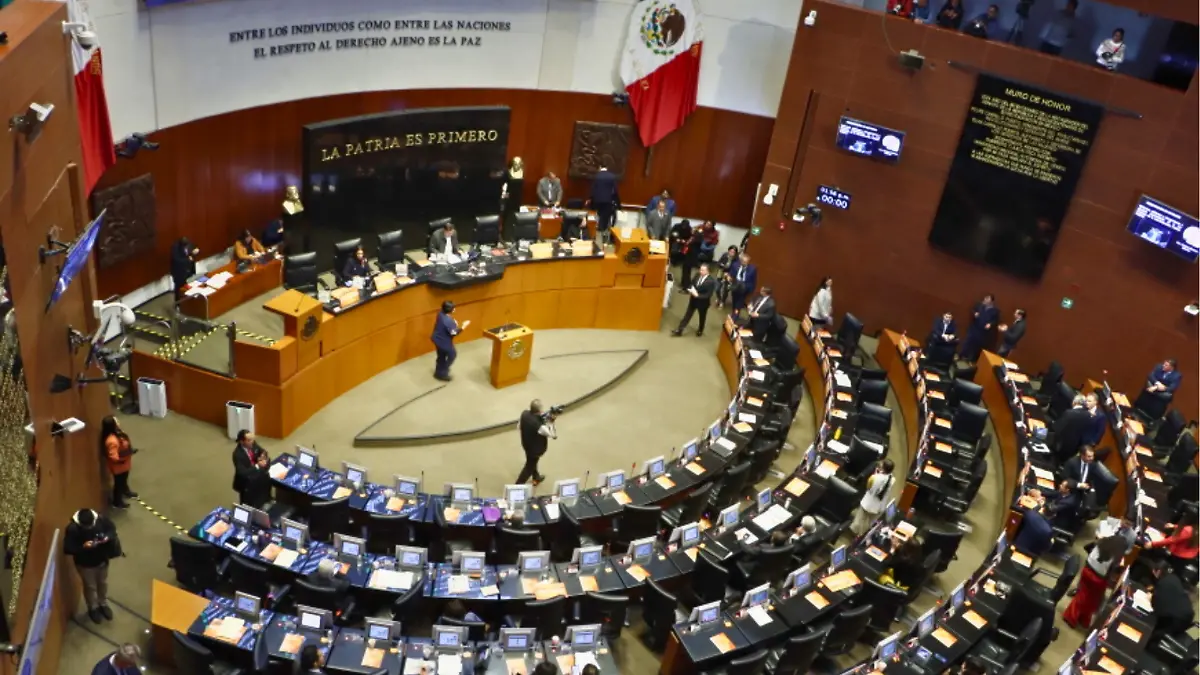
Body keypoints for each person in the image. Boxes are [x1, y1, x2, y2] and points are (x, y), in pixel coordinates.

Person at [64, 508, 121, 624]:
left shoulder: (101, 520)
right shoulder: (72, 529)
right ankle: (93, 608)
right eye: (87, 527)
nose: (90, 528)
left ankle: (103, 603)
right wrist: (83, 547)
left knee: (103, 583)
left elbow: (112, 529)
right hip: (85, 564)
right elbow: (68, 548)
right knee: (90, 587)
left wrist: (106, 538)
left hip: (102, 559)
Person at [1147, 558, 1195, 639]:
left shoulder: (1162, 583)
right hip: (1186, 617)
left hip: (1173, 623)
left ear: (1158, 571)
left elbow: (1157, 609)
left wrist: (1151, 599)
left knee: (1148, 627)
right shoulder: (1174, 578)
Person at [516, 400, 556, 485]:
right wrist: (551, 422)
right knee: (529, 467)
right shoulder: (539, 426)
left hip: (526, 444)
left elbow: (518, 426)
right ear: (539, 411)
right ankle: (517, 486)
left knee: (532, 461)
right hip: (535, 450)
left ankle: (536, 477)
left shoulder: (524, 414)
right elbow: (552, 435)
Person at [100, 416, 136, 508]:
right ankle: (117, 502)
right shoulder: (112, 441)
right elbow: (114, 457)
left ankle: (125, 491)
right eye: (116, 421)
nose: (118, 422)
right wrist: (127, 454)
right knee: (118, 484)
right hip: (119, 468)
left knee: (124, 480)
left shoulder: (118, 433)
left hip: (125, 465)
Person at [671, 263, 716, 337]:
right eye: (700, 269)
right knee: (687, 315)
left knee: (702, 317)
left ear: (707, 271)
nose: (700, 271)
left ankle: (700, 330)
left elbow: (708, 295)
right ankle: (680, 330)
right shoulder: (697, 275)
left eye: (703, 270)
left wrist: (698, 296)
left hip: (703, 303)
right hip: (693, 300)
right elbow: (692, 283)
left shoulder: (711, 281)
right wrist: (691, 289)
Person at [852, 459, 894, 535]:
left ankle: (856, 533)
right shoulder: (892, 479)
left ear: (883, 468)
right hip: (879, 506)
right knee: (868, 523)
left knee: (859, 520)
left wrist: (875, 474)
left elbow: (869, 488)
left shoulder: (875, 478)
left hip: (868, 504)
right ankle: (862, 534)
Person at [232, 429, 271, 508]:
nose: (252, 442)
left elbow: (262, 451)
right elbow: (242, 472)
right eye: (249, 440)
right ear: (242, 441)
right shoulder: (237, 454)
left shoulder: (252, 443)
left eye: (252, 439)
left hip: (257, 476)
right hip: (246, 482)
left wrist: (263, 456)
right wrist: (257, 466)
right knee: (248, 504)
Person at [431, 301, 468, 382]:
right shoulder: (448, 321)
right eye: (453, 308)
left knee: (441, 356)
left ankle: (438, 372)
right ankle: (443, 372)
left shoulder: (440, 313)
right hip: (444, 342)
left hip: (436, 339)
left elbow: (446, 325)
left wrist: (453, 323)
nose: (454, 309)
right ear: (450, 310)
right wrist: (463, 327)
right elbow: (454, 333)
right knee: (452, 355)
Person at [959, 294, 999, 362]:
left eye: (987, 298)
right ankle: (961, 355)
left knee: (977, 346)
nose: (985, 299)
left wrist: (990, 324)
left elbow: (996, 320)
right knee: (968, 342)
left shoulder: (995, 310)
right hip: (974, 327)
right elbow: (973, 310)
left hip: (983, 331)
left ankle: (971, 360)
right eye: (985, 298)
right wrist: (975, 313)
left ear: (991, 301)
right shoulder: (979, 305)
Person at [1014, 490, 1054, 556]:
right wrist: (1051, 542)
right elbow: (1046, 548)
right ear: (1053, 516)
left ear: (1043, 509)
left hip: (1018, 545)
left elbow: (1030, 511)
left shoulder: (1031, 515)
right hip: (1032, 554)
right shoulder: (1049, 530)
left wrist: (1039, 505)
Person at [1052, 394, 1090, 462]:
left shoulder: (1069, 413)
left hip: (1060, 445)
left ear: (1074, 402)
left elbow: (1056, 428)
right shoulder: (1088, 415)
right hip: (1074, 448)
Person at [588, 164, 619, 244]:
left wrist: (590, 199)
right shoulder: (612, 176)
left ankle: (594, 234)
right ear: (607, 168)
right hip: (607, 201)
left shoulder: (597, 176)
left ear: (600, 167)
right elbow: (615, 191)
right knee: (605, 218)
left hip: (597, 201)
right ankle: (603, 236)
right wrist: (617, 202)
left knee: (595, 217)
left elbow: (593, 189)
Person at [725, 252, 757, 319]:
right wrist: (729, 276)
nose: (744, 263)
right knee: (734, 300)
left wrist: (751, 290)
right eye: (743, 261)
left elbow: (753, 280)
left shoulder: (752, 269)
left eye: (746, 262)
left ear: (748, 262)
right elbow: (731, 273)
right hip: (735, 285)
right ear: (740, 261)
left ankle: (734, 317)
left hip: (745, 287)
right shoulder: (735, 265)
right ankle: (734, 312)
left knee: (739, 303)